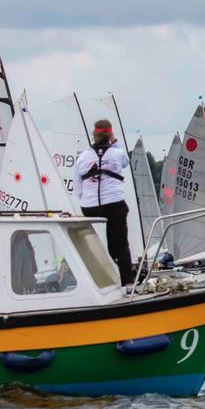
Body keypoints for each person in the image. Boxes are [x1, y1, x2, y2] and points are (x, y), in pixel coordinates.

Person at [74, 119, 134, 285]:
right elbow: (126, 161)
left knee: (104, 237)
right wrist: (115, 143)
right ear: (110, 135)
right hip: (114, 205)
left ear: (94, 135)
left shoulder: (83, 156)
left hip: (89, 207)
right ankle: (127, 283)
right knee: (121, 244)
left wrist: (87, 199)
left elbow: (77, 187)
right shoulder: (117, 153)